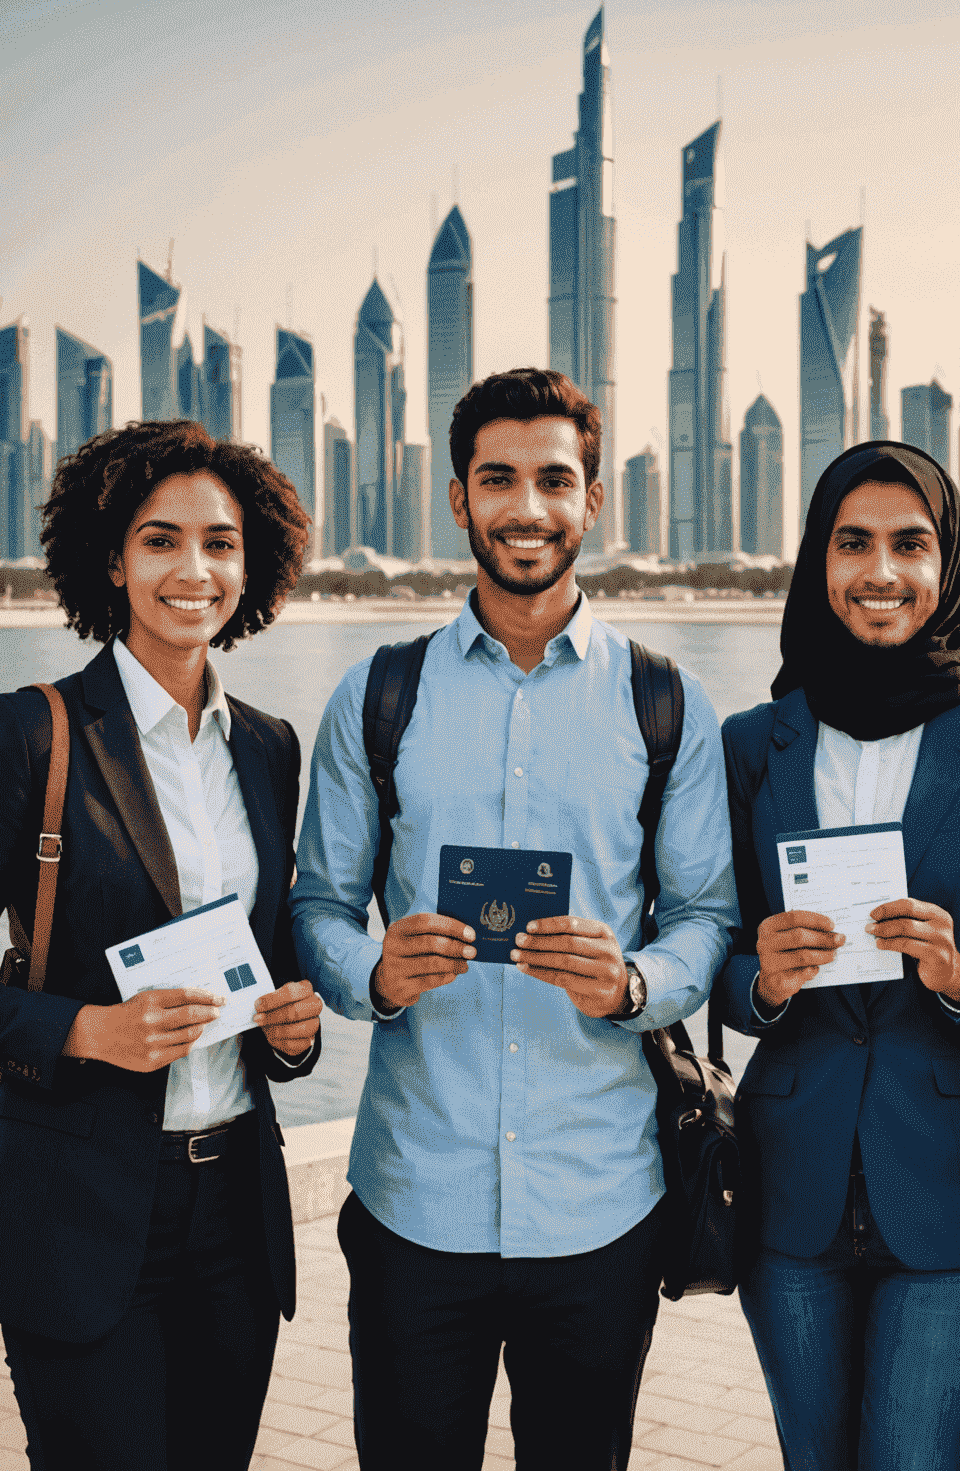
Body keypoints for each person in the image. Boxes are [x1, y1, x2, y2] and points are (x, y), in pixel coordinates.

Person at [291, 367, 736, 1470]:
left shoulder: (664, 700)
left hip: (601, 1204)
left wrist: (635, 985)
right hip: (412, 1197)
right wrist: (372, 975)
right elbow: (318, 906)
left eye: (554, 479)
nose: (526, 507)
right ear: (458, 499)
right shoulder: (376, 696)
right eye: (499, 479)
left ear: (594, 501)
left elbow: (703, 915)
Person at [0, 420, 324, 1471]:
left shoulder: (267, 746)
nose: (194, 569)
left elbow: (267, 958)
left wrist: (295, 1030)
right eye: (160, 539)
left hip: (235, 1209)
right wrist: (87, 1029)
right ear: (112, 560)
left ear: (251, 561)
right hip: (78, 1210)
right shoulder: (30, 734)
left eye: (220, 543)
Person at [715, 442, 960, 1470]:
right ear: (818, 560)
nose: (880, 571)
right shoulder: (749, 743)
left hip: (948, 1193)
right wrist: (762, 979)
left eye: (911, 544)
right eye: (852, 541)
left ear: (947, 563)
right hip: (789, 1184)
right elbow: (711, 955)